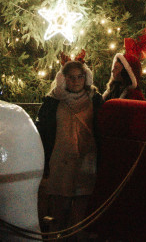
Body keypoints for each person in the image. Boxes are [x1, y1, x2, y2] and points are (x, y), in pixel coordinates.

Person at [35, 58, 102, 239]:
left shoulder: (95, 100)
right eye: (71, 77)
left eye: (79, 76)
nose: (76, 81)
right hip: (60, 160)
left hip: (86, 160)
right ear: (63, 78)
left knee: (81, 207)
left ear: (86, 77)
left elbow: (102, 129)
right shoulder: (52, 101)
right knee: (58, 206)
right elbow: (43, 130)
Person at [102, 31, 146, 101]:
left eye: (116, 68)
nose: (112, 70)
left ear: (126, 72)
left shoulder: (133, 96)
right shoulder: (114, 89)